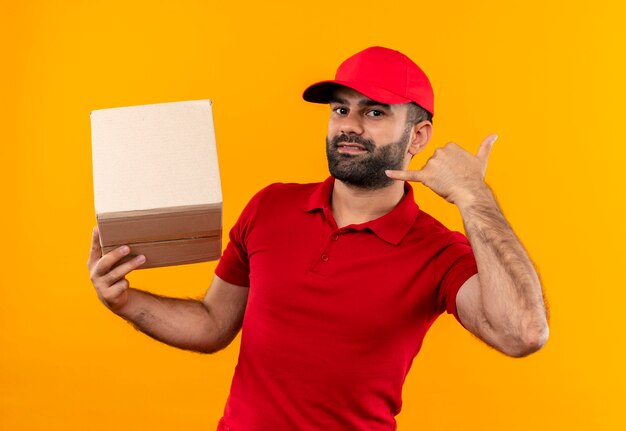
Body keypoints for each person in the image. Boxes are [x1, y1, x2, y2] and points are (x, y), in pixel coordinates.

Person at [87, 46, 549, 430]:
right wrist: (126, 302)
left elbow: (523, 334)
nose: (349, 124)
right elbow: (212, 325)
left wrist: (474, 197)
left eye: (374, 112)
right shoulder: (270, 207)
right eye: (340, 109)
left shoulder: (438, 252)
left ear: (418, 135)